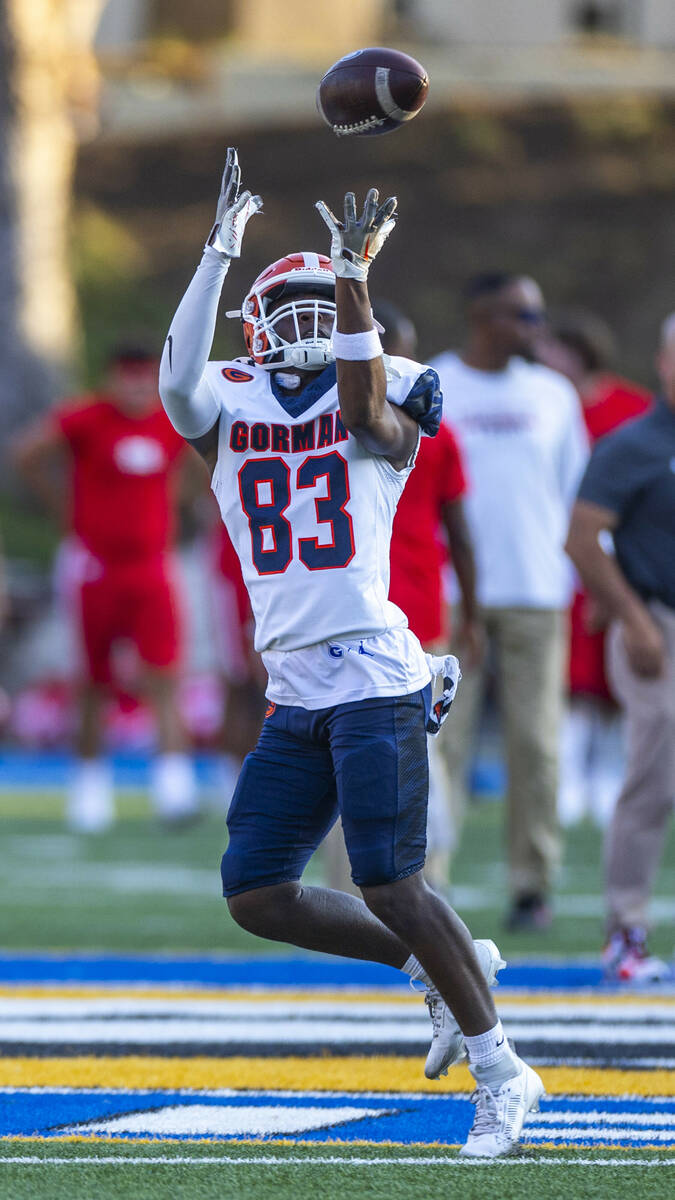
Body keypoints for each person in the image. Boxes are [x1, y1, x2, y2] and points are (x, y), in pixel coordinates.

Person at [158, 148, 544, 1159]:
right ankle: (439, 963)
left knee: (391, 880)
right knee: (258, 890)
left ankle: (504, 1073)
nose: (306, 329)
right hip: (297, 685)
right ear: (254, 330)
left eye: (322, 311)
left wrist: (356, 278)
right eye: (288, 314)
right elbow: (174, 376)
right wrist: (218, 248)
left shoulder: (389, 389)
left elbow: (373, 417)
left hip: (375, 670)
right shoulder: (230, 407)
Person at [431, 273, 589, 930]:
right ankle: (427, 878)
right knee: (440, 741)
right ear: (480, 317)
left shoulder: (552, 395)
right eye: (522, 316)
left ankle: (532, 884)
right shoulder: (432, 381)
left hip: (533, 590)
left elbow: (573, 492)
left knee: (536, 742)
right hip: (446, 593)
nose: (535, 329)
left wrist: (578, 584)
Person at [14, 344, 200, 832]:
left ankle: (173, 789)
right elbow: (26, 454)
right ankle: (90, 788)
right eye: (130, 378)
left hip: (151, 565)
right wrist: (65, 507)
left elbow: (207, 465)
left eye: (146, 378)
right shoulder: (85, 418)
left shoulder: (169, 420)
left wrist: (173, 503)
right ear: (112, 379)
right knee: (94, 680)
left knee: (165, 674)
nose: (139, 388)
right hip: (95, 568)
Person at [565, 313, 675, 983]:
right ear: (664, 363)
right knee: (653, 778)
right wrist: (632, 620)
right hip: (656, 623)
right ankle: (624, 931)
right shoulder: (632, 443)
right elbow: (579, 538)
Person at [537, 313, 651, 828]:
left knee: (613, 670)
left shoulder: (631, 409)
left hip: (615, 553)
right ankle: (571, 777)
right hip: (558, 554)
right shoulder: (544, 403)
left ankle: (608, 771)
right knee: (570, 672)